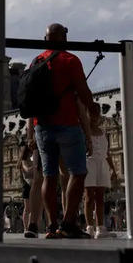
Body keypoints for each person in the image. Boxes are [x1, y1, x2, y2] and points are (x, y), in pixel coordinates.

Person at [29, 23, 99, 240]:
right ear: (64, 38)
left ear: (45, 38)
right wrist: (93, 109)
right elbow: (82, 91)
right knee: (78, 173)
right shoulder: (70, 60)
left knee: (49, 176)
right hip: (67, 123)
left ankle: (51, 225)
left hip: (42, 125)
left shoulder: (37, 60)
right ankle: (68, 223)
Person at [82, 107, 114, 239]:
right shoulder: (84, 131)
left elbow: (107, 153)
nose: (95, 118)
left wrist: (113, 169)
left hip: (102, 164)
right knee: (89, 197)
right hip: (89, 163)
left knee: (100, 197)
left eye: (97, 114)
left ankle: (100, 227)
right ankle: (89, 227)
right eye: (92, 114)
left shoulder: (103, 132)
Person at [19, 136, 44, 237]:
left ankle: (34, 226)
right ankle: (26, 227)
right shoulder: (24, 159)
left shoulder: (36, 156)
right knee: (27, 208)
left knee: (38, 208)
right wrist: (36, 166)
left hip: (36, 183)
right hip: (28, 184)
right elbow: (27, 170)